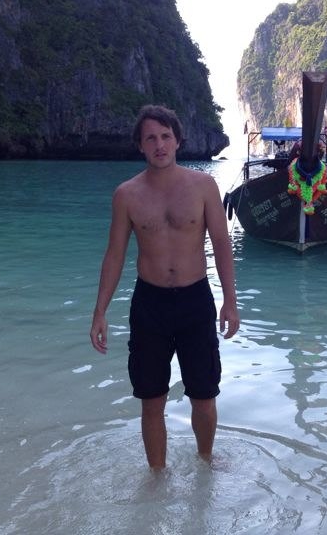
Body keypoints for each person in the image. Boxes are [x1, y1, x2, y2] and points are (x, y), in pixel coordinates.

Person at [89, 104, 240, 470]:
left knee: (204, 394)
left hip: (195, 300)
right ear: (140, 145)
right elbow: (114, 254)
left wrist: (230, 301)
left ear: (177, 141)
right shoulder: (127, 195)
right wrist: (100, 312)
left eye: (165, 136)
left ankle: (205, 462)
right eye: (151, 138)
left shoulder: (203, 187)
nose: (159, 144)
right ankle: (156, 477)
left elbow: (222, 243)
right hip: (150, 304)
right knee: (151, 398)